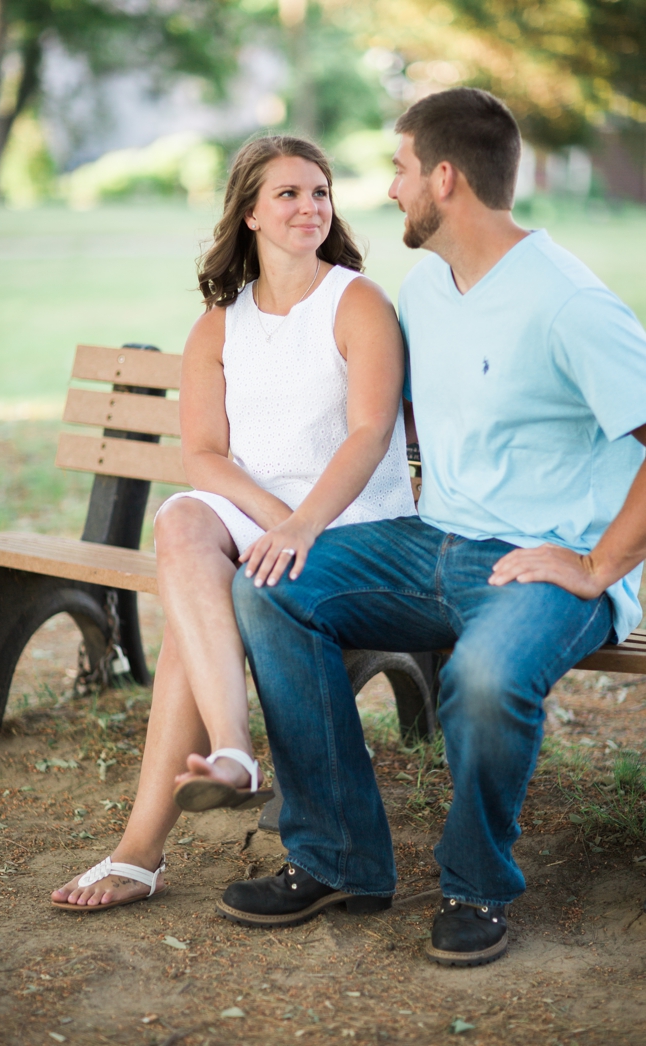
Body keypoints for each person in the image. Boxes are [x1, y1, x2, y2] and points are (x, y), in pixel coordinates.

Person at [223, 88, 646, 967]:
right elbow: (374, 409)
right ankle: (338, 855)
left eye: (400, 169)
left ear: (444, 179)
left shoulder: (567, 301)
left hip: (542, 562)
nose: (387, 188)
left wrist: (600, 565)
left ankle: (475, 883)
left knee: (487, 677)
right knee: (273, 586)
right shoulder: (425, 287)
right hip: (432, 541)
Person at [52, 135, 415, 911]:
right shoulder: (219, 325)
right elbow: (207, 457)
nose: (309, 206)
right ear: (249, 212)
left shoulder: (356, 301)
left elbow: (370, 434)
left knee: (191, 621)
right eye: (287, 193)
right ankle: (232, 753)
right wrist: (276, 519)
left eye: (319, 192)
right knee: (182, 517)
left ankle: (143, 848)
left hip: (354, 522)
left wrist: (303, 525)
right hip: (261, 514)